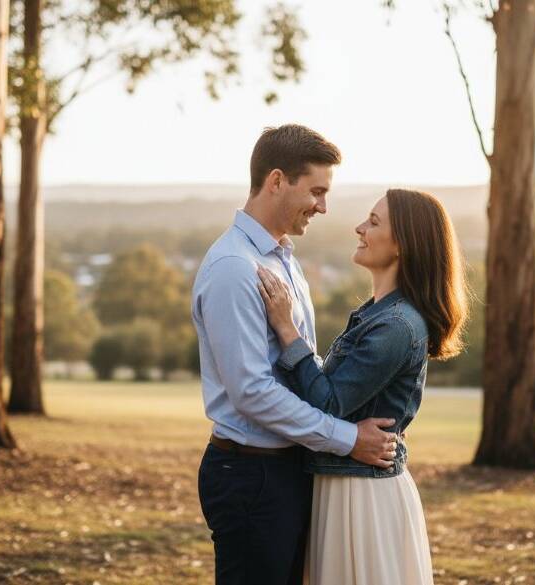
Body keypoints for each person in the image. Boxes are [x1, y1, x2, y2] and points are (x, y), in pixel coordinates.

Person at [191, 124, 399, 585]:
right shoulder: (233, 270)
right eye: (317, 192)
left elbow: (297, 364)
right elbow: (252, 393)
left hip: (286, 469)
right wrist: (348, 438)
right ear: (277, 180)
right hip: (251, 476)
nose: (324, 207)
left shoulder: (281, 258)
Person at [256, 188, 469, 585]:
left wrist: (286, 329)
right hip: (343, 484)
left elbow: (328, 401)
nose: (360, 228)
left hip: (361, 496)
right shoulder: (378, 314)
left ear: (403, 244)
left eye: (373, 222)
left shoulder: (396, 325)